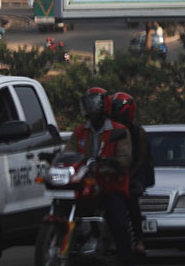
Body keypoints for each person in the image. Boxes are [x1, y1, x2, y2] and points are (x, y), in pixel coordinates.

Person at [63, 87, 135, 266]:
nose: (90, 108)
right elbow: (69, 152)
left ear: (104, 105)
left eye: (94, 103)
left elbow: (125, 158)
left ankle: (125, 258)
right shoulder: (79, 132)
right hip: (84, 184)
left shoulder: (119, 131)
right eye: (88, 103)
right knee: (65, 208)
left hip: (110, 184)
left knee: (117, 219)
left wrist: (111, 163)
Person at [109, 92, 154, 257]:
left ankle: (139, 239)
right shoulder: (109, 130)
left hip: (135, 173)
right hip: (113, 172)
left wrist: (128, 175)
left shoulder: (137, 131)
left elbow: (141, 159)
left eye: (118, 108)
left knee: (131, 198)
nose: (115, 112)